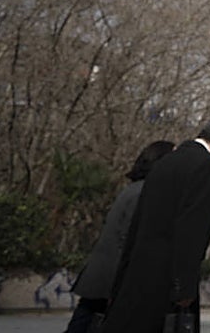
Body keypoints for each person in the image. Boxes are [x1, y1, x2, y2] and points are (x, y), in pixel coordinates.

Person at [103, 115, 210, 333]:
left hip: (138, 271)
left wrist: (120, 278)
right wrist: (184, 286)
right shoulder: (205, 164)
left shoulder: (166, 161)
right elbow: (193, 228)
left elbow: (138, 221)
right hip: (167, 276)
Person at [64, 140, 175, 333]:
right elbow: (129, 238)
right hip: (113, 277)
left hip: (105, 276)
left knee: (84, 320)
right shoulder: (144, 192)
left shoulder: (135, 189)